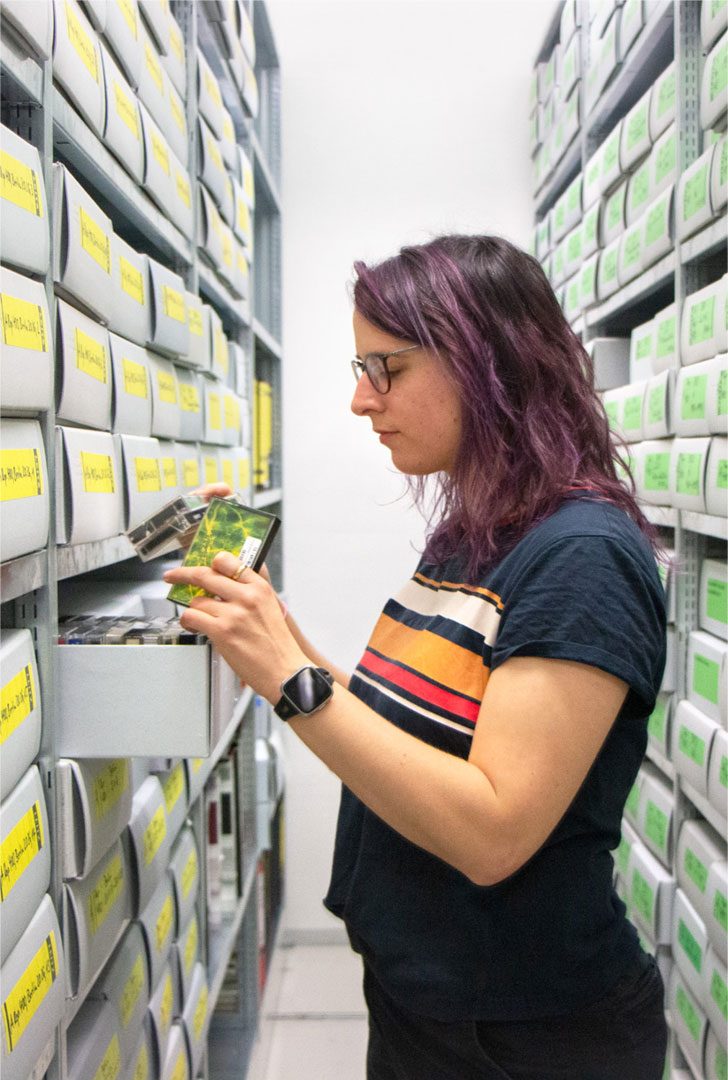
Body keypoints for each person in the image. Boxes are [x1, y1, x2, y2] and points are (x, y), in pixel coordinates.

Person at [163, 234, 668, 1080]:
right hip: (432, 1005)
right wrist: (263, 630)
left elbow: (493, 830)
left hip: (526, 1034)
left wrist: (290, 682)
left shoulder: (582, 555)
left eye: (384, 367)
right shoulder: (475, 532)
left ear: (485, 360)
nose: (363, 400)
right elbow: (410, 723)